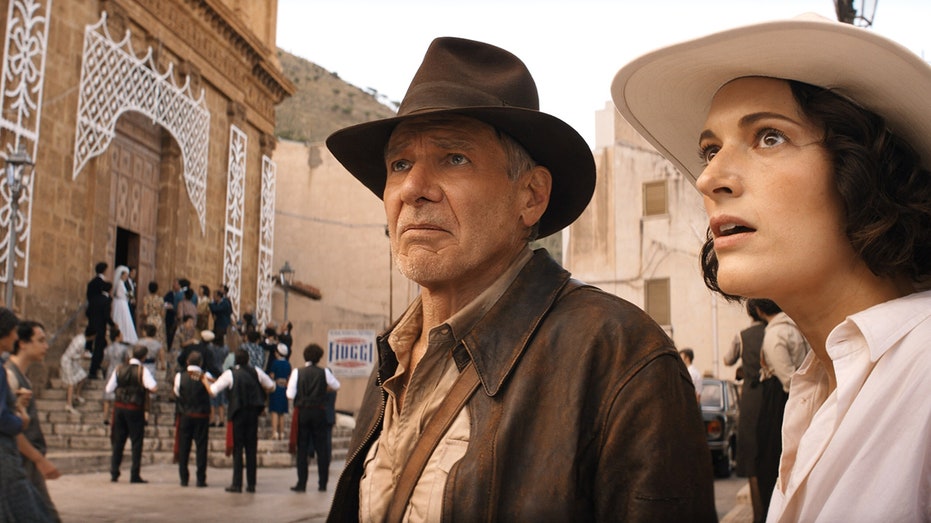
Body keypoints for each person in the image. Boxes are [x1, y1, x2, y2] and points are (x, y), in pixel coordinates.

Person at [324, 37, 715, 521]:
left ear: (530, 196)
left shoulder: (620, 358)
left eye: (454, 158)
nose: (413, 189)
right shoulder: (395, 359)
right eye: (399, 164)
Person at [612, 13, 931, 522]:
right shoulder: (814, 390)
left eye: (769, 137)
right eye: (709, 150)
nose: (708, 177)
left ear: (867, 168)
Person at [754, 299, 809, 516]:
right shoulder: (797, 328)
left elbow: (786, 378)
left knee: (770, 458)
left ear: (759, 310)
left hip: (778, 400)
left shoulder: (774, 334)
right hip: (799, 395)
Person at [5, 320, 61, 522]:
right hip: (20, 462)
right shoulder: (10, 376)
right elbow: (10, 428)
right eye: (40, 341)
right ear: (23, 343)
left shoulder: (22, 377)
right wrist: (40, 459)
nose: (46, 346)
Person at [722, 299, 769, 522]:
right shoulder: (779, 330)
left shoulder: (743, 336)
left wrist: (744, 367)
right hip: (777, 396)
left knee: (752, 459)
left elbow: (727, 359)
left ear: (755, 310)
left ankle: (759, 515)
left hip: (752, 399)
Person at [202, 349, 274, 493]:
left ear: (235, 360)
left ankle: (237, 483)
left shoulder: (230, 374)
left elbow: (213, 391)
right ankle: (251, 484)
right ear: (248, 359)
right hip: (253, 414)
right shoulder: (256, 372)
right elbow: (272, 386)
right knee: (251, 449)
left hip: (237, 413)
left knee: (238, 449)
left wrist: (205, 380)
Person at [286, 343, 340, 493]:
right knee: (321, 449)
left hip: (303, 412)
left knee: (302, 448)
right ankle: (322, 484)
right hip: (319, 412)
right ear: (319, 357)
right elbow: (336, 385)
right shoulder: (324, 373)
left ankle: (301, 483)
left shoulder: (298, 372)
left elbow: (290, 395)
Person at [106, 345, 158, 483]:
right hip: (135, 408)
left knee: (118, 441)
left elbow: (109, 388)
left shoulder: (119, 369)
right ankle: (134, 474)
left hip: (119, 408)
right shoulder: (143, 371)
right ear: (144, 357)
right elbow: (153, 387)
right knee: (136, 442)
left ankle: (114, 472)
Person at [173, 351, 213, 488]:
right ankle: (200, 479)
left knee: (184, 446)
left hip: (185, 414)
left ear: (187, 362)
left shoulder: (180, 376)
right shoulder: (205, 376)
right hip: (201, 415)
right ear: (201, 363)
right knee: (201, 448)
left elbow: (177, 392)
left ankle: (184, 478)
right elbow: (212, 390)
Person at [85, 262, 111, 379]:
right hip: (100, 320)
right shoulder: (103, 293)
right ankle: (94, 369)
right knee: (99, 346)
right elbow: (106, 315)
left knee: (93, 336)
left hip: (92, 313)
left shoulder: (91, 283)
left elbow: (89, 297)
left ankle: (88, 349)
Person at [101, 328, 130, 425]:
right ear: (117, 336)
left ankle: (105, 416)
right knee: (118, 393)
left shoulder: (107, 349)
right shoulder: (124, 348)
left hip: (110, 370)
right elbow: (127, 361)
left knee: (107, 394)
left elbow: (105, 362)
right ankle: (116, 416)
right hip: (120, 371)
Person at [59, 328, 90, 415]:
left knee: (83, 376)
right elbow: (72, 355)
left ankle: (77, 395)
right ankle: (69, 405)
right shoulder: (81, 342)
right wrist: (82, 356)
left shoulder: (81, 338)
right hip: (67, 362)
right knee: (71, 383)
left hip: (73, 362)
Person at [267, 343, 291, 440]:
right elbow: (289, 377)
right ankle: (282, 432)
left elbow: (272, 375)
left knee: (274, 411)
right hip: (284, 388)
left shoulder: (275, 363)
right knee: (282, 412)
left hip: (276, 387)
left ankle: (274, 432)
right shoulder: (288, 364)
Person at [111, 266, 138, 344]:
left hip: (123, 303)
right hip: (120, 303)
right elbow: (119, 294)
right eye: (125, 275)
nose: (126, 276)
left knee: (125, 320)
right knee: (121, 319)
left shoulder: (122, 283)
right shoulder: (120, 283)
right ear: (122, 275)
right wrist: (128, 297)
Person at [142, 281, 165, 348]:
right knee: (159, 339)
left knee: (149, 338)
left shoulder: (146, 299)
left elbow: (145, 313)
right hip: (158, 320)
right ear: (157, 289)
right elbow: (162, 313)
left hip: (149, 320)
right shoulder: (160, 299)